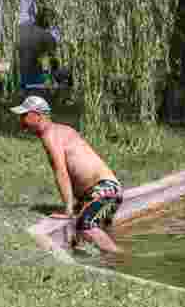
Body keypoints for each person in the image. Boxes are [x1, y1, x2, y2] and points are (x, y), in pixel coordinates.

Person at [11, 96, 123, 254]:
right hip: (103, 189)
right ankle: (105, 257)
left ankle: (122, 259)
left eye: (24, 115)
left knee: (85, 226)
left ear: (37, 115)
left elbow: (61, 171)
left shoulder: (50, 135)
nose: (20, 120)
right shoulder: (61, 130)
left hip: (104, 189)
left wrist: (68, 210)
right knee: (90, 231)